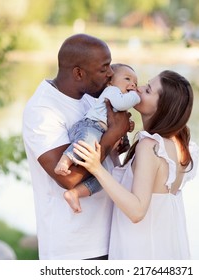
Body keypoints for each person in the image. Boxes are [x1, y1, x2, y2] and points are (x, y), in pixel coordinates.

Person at [22, 34, 132, 260]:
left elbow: (105, 152)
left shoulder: (92, 98)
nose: (111, 73)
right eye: (104, 69)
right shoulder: (43, 110)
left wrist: (117, 144)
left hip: (112, 237)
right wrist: (111, 136)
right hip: (74, 247)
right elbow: (68, 177)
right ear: (78, 73)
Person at [72, 70, 199, 259]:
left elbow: (137, 211)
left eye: (147, 90)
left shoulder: (149, 146)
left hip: (141, 251)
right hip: (162, 248)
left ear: (162, 107)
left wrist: (96, 168)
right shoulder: (180, 145)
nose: (137, 89)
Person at [55, 63, 140, 213]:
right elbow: (120, 105)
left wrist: (127, 127)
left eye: (135, 83)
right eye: (127, 79)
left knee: (103, 178)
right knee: (87, 143)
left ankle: (75, 193)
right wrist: (135, 95)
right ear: (110, 82)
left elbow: (117, 122)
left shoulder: (118, 97)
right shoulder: (111, 91)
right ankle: (65, 160)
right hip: (90, 127)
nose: (132, 84)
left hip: (99, 133)